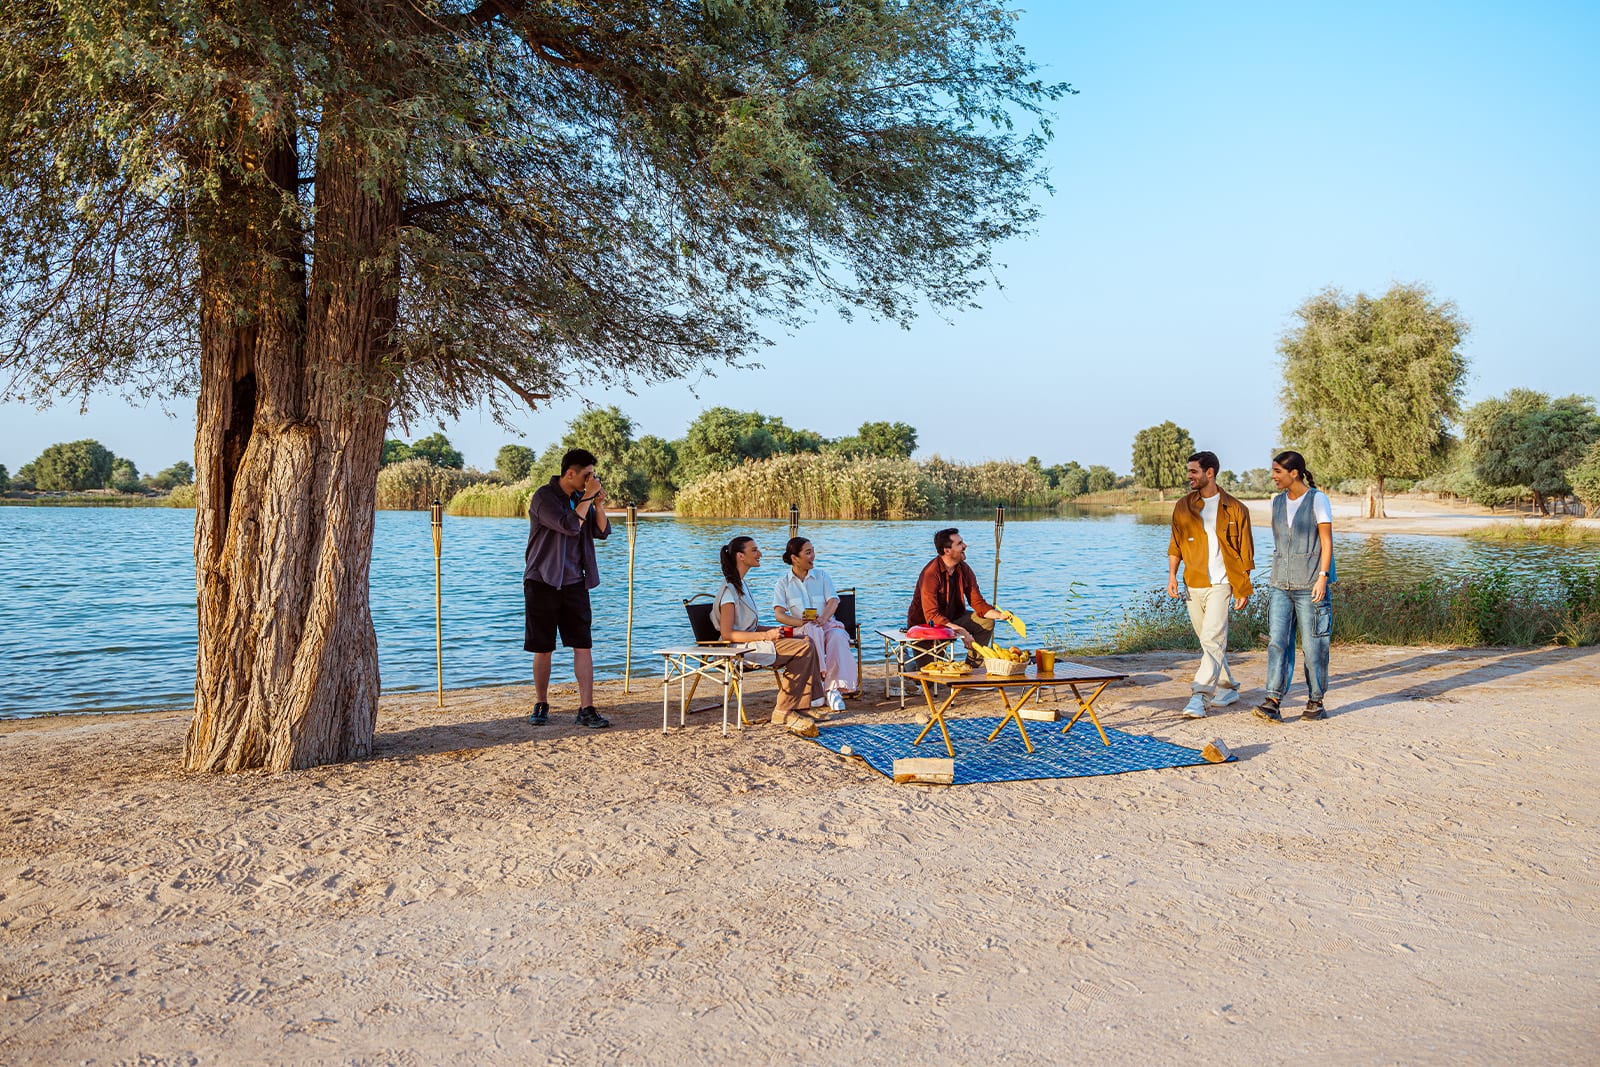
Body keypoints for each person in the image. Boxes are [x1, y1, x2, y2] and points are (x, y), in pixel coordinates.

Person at [524, 448, 610, 729]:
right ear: (570, 473)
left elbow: (602, 532)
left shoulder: (581, 498)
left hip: (575, 583)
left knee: (583, 645)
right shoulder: (543, 498)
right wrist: (586, 498)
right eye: (587, 475)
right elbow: (569, 525)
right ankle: (541, 703)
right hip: (543, 580)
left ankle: (586, 708)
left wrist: (599, 503)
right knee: (543, 647)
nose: (591, 480)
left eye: (593, 475)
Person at [1167, 450, 1255, 718]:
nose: (1189, 476)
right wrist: (1172, 575)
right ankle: (1227, 687)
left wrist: (1243, 586)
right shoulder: (1183, 506)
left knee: (1213, 638)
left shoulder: (1237, 509)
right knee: (1208, 641)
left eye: (1193, 471)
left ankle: (1200, 697)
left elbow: (1245, 551)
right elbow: (1175, 543)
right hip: (1193, 583)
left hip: (1223, 583)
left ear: (1210, 473)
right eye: (1189, 471)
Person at [714, 536, 826, 733]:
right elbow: (727, 633)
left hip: (752, 642)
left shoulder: (742, 586)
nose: (760, 554)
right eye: (754, 550)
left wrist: (776, 631)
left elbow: (750, 626)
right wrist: (766, 636)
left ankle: (801, 704)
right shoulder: (729, 590)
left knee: (806, 639)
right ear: (741, 556)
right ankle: (784, 709)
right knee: (803, 647)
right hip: (737, 649)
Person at [1255, 450, 1335, 724]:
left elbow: (1327, 542)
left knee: (1315, 646)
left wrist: (1323, 577)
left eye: (1277, 471)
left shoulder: (1318, 500)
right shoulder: (1276, 502)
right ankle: (1273, 700)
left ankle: (1316, 700)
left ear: (1294, 473)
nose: (1273, 476)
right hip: (1280, 584)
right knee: (1278, 643)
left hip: (1311, 585)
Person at [772, 537, 857, 713]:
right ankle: (819, 683)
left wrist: (824, 618)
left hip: (824, 624)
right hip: (802, 629)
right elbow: (779, 615)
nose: (813, 556)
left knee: (838, 636)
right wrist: (799, 622)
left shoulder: (822, 576)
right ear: (795, 558)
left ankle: (832, 689)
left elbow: (833, 601)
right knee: (811, 629)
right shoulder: (783, 584)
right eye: (808, 552)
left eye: (813, 551)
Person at [906, 527, 1014, 661]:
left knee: (986, 622)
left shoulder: (964, 569)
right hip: (927, 626)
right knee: (930, 678)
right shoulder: (930, 574)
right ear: (947, 550)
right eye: (959, 544)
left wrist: (1000, 615)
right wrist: (962, 631)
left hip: (952, 618)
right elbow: (932, 616)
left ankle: (973, 665)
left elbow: (978, 603)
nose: (965, 545)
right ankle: (906, 659)